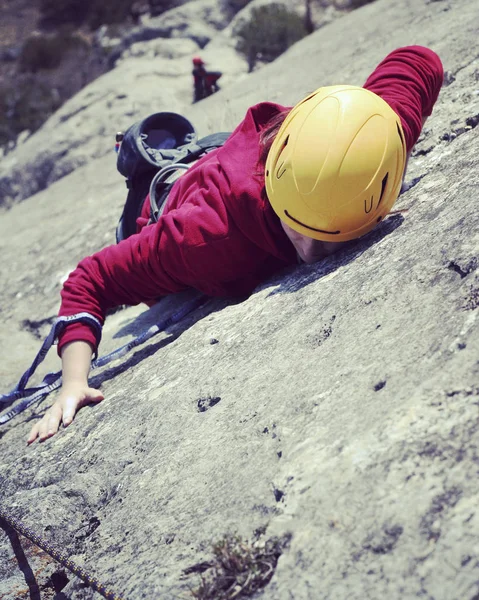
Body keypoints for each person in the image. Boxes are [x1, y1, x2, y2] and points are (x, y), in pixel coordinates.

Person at [27, 46, 444, 444]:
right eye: (299, 228)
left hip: (239, 156)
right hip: (172, 211)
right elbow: (91, 278)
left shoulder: (368, 147)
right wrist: (75, 382)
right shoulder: (203, 238)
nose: (313, 250)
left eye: (329, 236)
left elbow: (418, 61)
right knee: (150, 263)